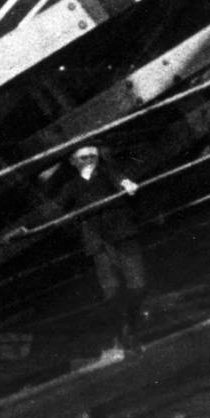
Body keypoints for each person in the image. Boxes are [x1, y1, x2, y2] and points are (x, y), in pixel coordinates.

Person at [62, 141, 149, 350]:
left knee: (138, 285)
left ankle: (132, 325)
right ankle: (123, 334)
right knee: (112, 292)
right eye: (84, 158)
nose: (90, 160)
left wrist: (127, 184)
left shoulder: (107, 173)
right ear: (73, 162)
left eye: (93, 156)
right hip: (98, 243)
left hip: (122, 235)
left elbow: (120, 179)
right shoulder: (71, 187)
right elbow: (60, 211)